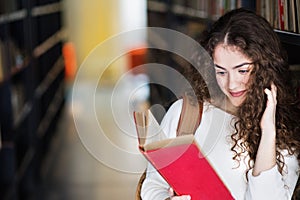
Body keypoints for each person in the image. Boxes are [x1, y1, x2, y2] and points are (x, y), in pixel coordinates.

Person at [140, 8, 300, 200]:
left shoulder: (284, 132)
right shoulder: (188, 112)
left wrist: (267, 133)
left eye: (243, 71)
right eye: (221, 72)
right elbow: (152, 185)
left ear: (265, 68)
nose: (231, 84)